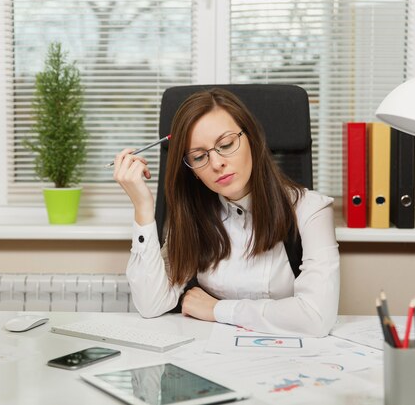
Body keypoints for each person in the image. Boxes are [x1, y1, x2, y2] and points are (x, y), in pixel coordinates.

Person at [112, 88, 339, 337]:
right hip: (211, 357)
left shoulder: (311, 210)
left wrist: (218, 310)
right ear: (193, 171)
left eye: (226, 144)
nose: (217, 163)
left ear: (252, 138)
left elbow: (316, 317)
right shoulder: (193, 216)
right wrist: (143, 208)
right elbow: (151, 304)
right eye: (199, 157)